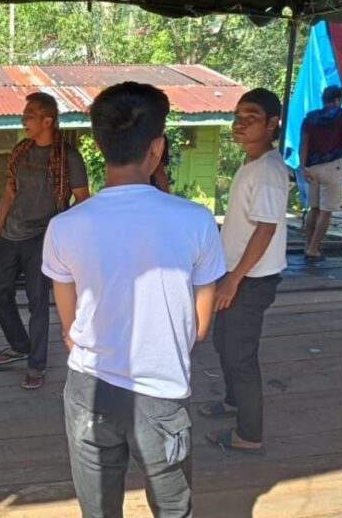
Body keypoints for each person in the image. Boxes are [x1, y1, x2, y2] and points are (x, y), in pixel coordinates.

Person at [42, 81, 224, 517]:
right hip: (161, 392)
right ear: (157, 147)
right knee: (173, 510)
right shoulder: (196, 221)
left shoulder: (64, 226)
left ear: (98, 145)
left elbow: (69, 326)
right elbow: (200, 326)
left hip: (89, 391)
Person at [202, 88, 290, 454]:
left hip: (251, 279)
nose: (239, 124)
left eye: (250, 118)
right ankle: (233, 400)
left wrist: (233, 280)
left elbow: (266, 229)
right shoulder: (253, 164)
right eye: (237, 116)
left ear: (272, 124)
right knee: (224, 342)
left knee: (240, 354)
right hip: (237, 274)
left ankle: (249, 435)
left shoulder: (268, 171)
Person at [0, 92, 89, 390]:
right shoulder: (21, 151)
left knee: (38, 302)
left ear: (47, 121)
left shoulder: (68, 157)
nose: (23, 119)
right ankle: (20, 344)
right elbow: (9, 193)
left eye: (30, 114)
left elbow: (82, 200)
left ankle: (36, 364)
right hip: (11, 234)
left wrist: (66, 236)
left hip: (43, 238)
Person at [299, 85, 342, 261]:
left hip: (312, 169)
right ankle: (314, 249)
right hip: (332, 167)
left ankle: (308, 245)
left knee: (313, 209)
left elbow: (303, 143)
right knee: (326, 211)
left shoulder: (310, 118)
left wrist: (302, 166)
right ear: (338, 100)